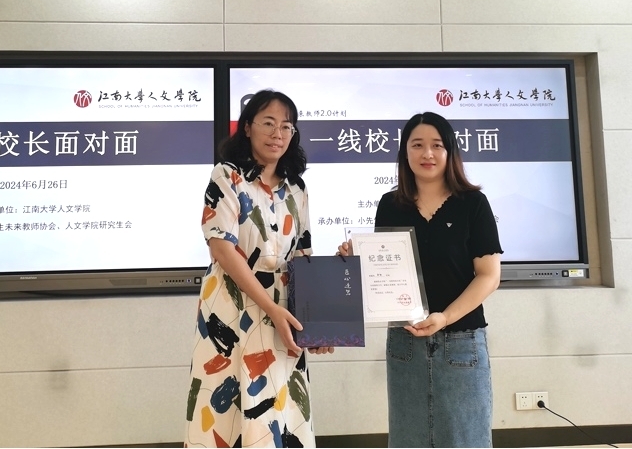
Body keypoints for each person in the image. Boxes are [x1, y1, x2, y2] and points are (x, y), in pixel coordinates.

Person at [340, 111, 502, 447]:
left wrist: (444, 317)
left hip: (461, 341)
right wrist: (357, 258)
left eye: (437, 145)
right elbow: (385, 273)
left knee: (465, 440)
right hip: (406, 342)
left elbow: (489, 276)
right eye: (417, 145)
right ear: (405, 152)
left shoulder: (473, 203)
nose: (427, 153)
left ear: (450, 151)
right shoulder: (390, 204)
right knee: (408, 439)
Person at [184, 89, 333, 448]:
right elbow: (221, 247)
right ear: (248, 127)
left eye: (286, 126)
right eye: (268, 123)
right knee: (228, 405)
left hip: (285, 309)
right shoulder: (227, 176)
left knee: (281, 406)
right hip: (232, 307)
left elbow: (303, 255)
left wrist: (318, 325)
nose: (277, 133)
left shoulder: (297, 188)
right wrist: (271, 309)